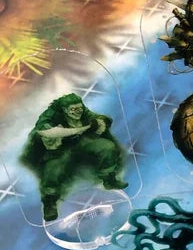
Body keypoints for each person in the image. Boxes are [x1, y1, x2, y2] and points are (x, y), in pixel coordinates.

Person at [20, 93, 126, 221]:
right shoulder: (51, 115)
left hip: (80, 142)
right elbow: (44, 131)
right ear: (64, 109)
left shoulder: (82, 111)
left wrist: (100, 122)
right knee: (53, 170)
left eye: (79, 108)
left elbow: (95, 117)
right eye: (73, 109)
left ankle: (109, 179)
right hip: (59, 148)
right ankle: (50, 203)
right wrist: (80, 129)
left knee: (107, 147)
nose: (78, 112)